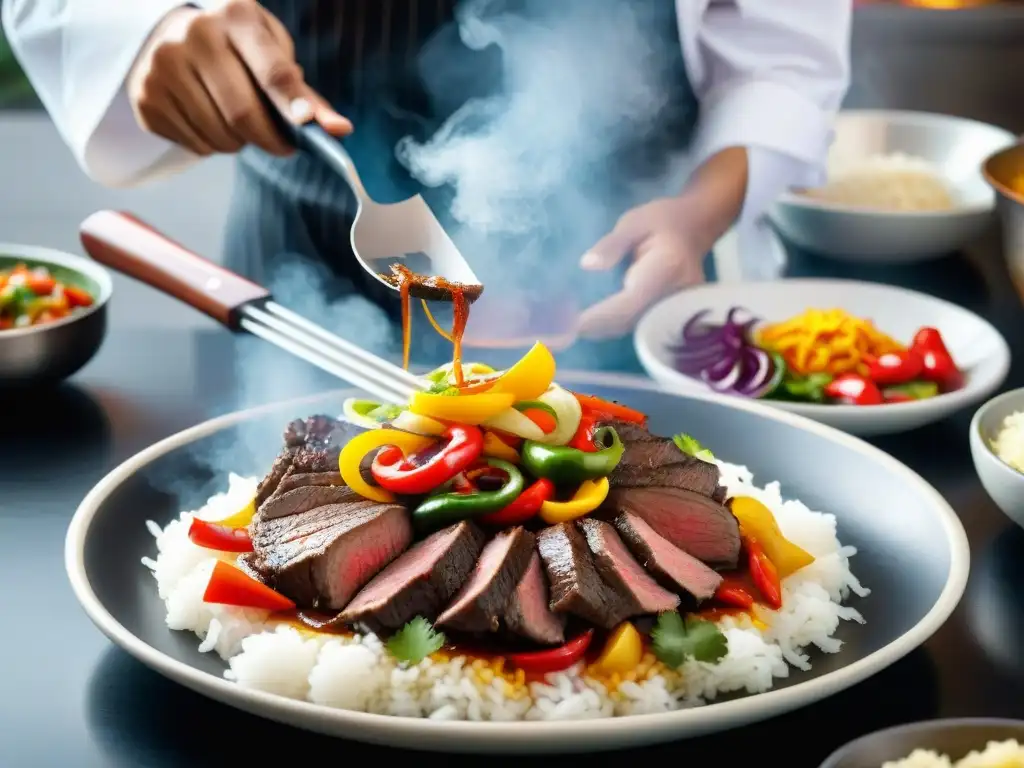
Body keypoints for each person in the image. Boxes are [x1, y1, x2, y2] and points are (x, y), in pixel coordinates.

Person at [3, 0, 851, 372]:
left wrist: (701, 213)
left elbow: (780, 50)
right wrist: (150, 26)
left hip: (621, 269)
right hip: (298, 261)